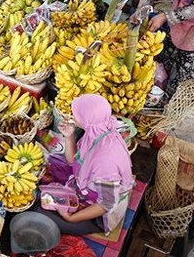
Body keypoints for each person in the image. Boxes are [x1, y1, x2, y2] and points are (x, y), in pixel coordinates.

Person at [36, 94, 135, 235]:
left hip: (99, 214)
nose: (73, 116)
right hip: (85, 189)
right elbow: (73, 161)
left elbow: (106, 204)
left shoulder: (105, 161)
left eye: (76, 114)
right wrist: (69, 136)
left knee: (41, 214)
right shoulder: (97, 132)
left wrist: (71, 218)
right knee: (54, 164)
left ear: (87, 119)